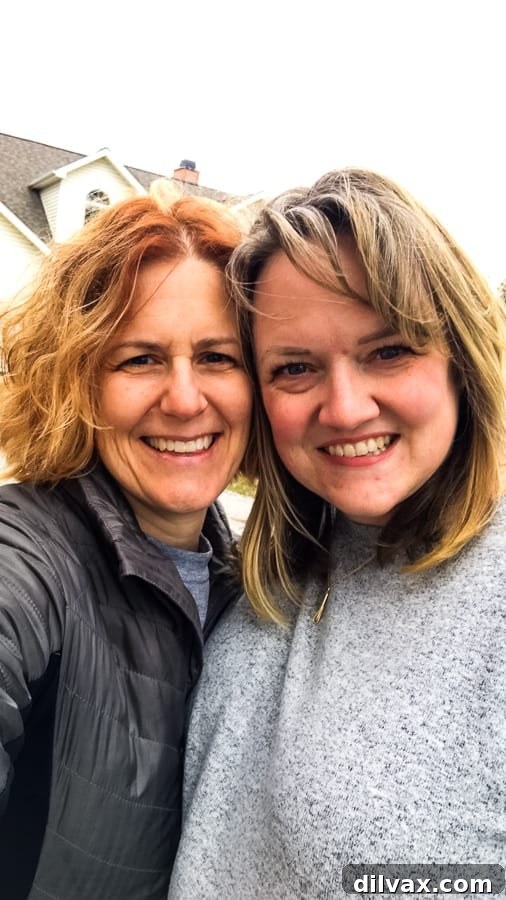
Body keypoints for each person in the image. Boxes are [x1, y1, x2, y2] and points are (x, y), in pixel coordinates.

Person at [168, 168, 506, 899]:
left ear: (462, 362)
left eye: (389, 351)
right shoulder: (258, 569)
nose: (346, 409)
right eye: (295, 368)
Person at [0, 182, 252, 899]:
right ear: (77, 379)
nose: (182, 398)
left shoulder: (249, 579)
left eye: (216, 357)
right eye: (139, 358)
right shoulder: (28, 554)